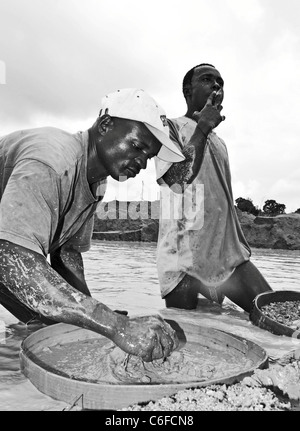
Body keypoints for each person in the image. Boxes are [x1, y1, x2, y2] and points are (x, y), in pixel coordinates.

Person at [0, 88, 183, 362]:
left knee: (57, 325)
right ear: (106, 125)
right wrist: (114, 325)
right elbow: (11, 258)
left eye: (149, 156)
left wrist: (97, 318)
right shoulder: (51, 161)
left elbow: (67, 253)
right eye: (137, 146)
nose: (142, 163)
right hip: (8, 252)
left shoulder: (96, 183)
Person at [155, 63, 273, 313]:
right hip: (182, 258)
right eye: (208, 79)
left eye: (220, 82)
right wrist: (203, 127)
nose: (217, 85)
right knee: (191, 340)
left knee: (273, 314)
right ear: (188, 90)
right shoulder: (170, 127)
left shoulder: (221, 144)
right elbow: (175, 179)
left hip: (226, 255)